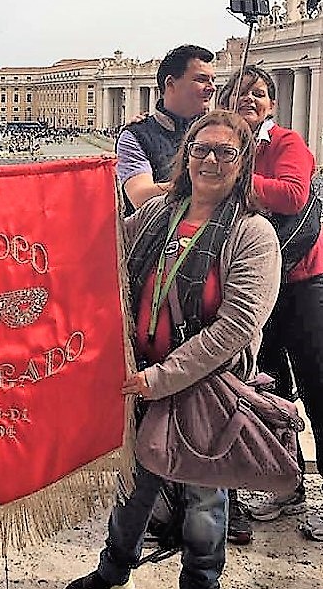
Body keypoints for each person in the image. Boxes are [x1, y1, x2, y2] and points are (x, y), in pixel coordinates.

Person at [66, 110, 281, 589]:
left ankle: (201, 580)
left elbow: (236, 327)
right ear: (185, 158)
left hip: (207, 385)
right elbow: (98, 258)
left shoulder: (254, 235)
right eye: (201, 149)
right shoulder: (155, 215)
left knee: (206, 498)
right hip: (139, 377)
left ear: (243, 163)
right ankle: (113, 569)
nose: (210, 160)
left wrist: (162, 377)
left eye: (225, 152)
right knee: (132, 487)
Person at [219, 67, 323, 539]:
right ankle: (287, 484)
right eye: (240, 92)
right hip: (258, 287)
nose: (249, 99)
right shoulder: (228, 144)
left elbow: (294, 195)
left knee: (318, 384)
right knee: (269, 391)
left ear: (272, 105)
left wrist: (234, 182)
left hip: (302, 283)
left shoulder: (286, 143)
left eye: (259, 94)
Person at [116, 44, 215, 214]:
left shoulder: (216, 131)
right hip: (157, 235)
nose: (212, 87)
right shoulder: (135, 136)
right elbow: (141, 197)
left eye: (212, 80)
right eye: (201, 80)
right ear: (170, 83)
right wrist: (208, 183)